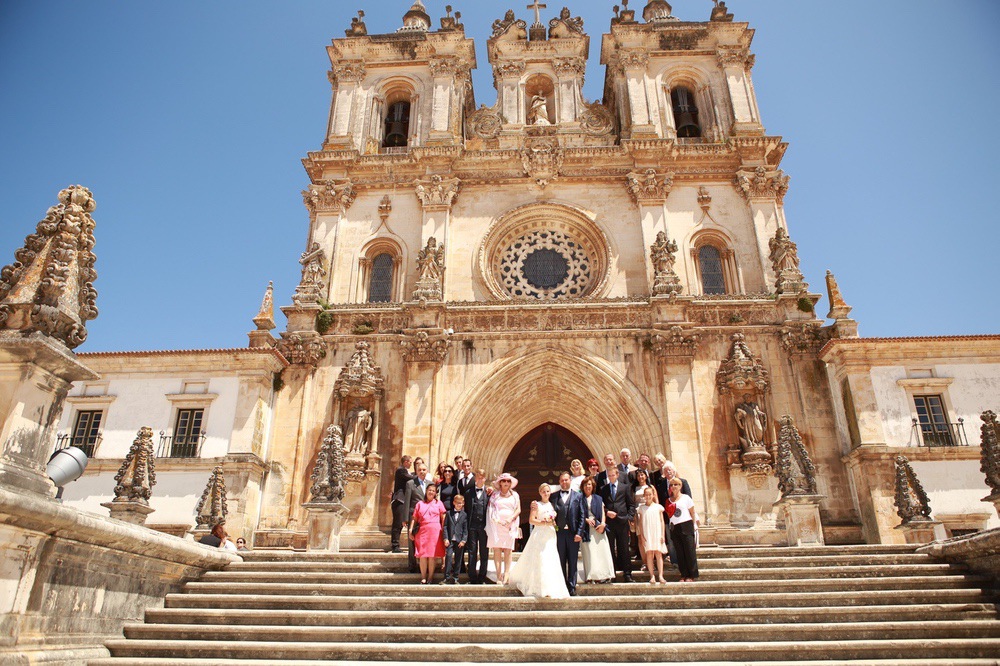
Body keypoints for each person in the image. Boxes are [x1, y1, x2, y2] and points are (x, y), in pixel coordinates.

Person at [508, 483, 568, 599]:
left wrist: (553, 523)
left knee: (551, 559)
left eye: (548, 491)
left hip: (550, 535)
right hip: (540, 534)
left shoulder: (552, 504)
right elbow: (531, 520)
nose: (546, 494)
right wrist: (545, 523)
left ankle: (551, 587)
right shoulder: (536, 504)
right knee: (541, 558)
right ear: (540, 493)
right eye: (543, 491)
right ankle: (539, 588)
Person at [550, 471, 586, 596]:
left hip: (573, 533)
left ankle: (572, 586)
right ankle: (561, 585)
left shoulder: (578, 496)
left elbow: (582, 516)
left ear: (570, 480)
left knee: (572, 561)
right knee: (560, 560)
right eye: (562, 480)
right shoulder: (553, 497)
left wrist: (579, 533)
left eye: (566, 480)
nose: (564, 482)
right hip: (558, 533)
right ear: (559, 482)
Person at [600, 466, 636, 582]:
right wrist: (606, 512)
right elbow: (601, 506)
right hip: (609, 523)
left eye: (612, 475)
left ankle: (627, 574)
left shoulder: (625, 488)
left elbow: (631, 504)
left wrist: (629, 517)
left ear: (617, 475)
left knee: (624, 548)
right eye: (609, 476)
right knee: (609, 548)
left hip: (622, 522)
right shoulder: (604, 489)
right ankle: (612, 574)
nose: (611, 477)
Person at [486, 472, 520, 584]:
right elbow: (490, 509)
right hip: (497, 525)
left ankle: (506, 574)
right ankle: (498, 575)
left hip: (510, 525)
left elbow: (518, 510)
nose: (506, 483)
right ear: (500, 483)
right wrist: (497, 521)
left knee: (508, 550)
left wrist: (510, 519)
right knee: (497, 549)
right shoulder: (494, 495)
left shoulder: (515, 495)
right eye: (504, 480)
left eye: (508, 481)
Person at [579, 476, 615, 583]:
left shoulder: (598, 498)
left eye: (589, 484)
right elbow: (577, 514)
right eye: (585, 485)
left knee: (601, 551)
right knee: (589, 552)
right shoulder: (579, 499)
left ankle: (603, 575)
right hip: (586, 529)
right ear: (582, 487)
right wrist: (586, 520)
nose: (587, 487)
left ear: (593, 486)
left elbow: (603, 512)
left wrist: (603, 524)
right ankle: (591, 576)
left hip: (598, 528)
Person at [410, 483, 446, 584]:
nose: (431, 492)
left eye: (433, 491)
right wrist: (410, 530)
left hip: (435, 531)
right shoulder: (419, 504)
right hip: (422, 531)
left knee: (431, 556)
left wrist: (444, 530)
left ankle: (430, 577)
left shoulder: (439, 503)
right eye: (429, 490)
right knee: (422, 555)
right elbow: (414, 518)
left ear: (435, 493)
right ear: (426, 491)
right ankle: (423, 577)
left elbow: (443, 517)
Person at [667, 477, 699, 582]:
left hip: (686, 525)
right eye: (671, 485)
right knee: (680, 552)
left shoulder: (686, 498)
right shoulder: (668, 500)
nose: (673, 487)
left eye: (675, 484)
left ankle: (692, 574)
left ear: (680, 486)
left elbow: (692, 512)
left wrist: (694, 525)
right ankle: (683, 574)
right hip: (674, 527)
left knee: (689, 551)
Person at [464, 468, 490, 584]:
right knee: (472, 551)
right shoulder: (469, 493)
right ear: (475, 478)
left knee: (484, 552)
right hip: (472, 526)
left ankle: (482, 577)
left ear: (485, 479)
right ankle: (472, 577)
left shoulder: (489, 493)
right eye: (478, 477)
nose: (480, 479)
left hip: (484, 527)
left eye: (482, 477)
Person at [636, 486, 668, 584]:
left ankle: (661, 575)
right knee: (649, 554)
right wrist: (642, 535)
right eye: (646, 495)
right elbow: (640, 523)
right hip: (647, 532)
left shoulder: (658, 507)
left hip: (657, 531)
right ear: (644, 496)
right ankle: (652, 576)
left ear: (653, 495)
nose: (648, 496)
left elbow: (662, 521)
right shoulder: (641, 508)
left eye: (650, 494)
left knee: (658, 553)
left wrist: (662, 534)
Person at [403, 463, 429, 573]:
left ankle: (425, 565)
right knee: (412, 541)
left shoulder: (430, 484)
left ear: (427, 471)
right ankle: (412, 565)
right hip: (414, 516)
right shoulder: (410, 483)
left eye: (424, 469)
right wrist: (405, 518)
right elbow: (407, 500)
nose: (422, 471)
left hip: (427, 517)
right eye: (420, 470)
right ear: (416, 471)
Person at [390, 454, 414, 553]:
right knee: (398, 523)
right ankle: (395, 545)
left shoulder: (404, 471)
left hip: (403, 500)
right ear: (406, 462)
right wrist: (419, 476)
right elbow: (409, 478)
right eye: (410, 462)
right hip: (399, 500)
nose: (411, 464)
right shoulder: (401, 470)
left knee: (400, 523)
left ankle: (396, 545)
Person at [442, 493, 468, 584]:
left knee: (458, 559)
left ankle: (456, 577)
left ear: (463, 503)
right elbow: (445, 526)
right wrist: (445, 538)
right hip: (450, 540)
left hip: (459, 540)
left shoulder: (464, 515)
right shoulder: (449, 514)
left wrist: (464, 540)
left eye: (460, 503)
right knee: (448, 557)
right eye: (457, 503)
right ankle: (447, 577)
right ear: (453, 503)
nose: (459, 505)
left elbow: (465, 529)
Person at [631, 468, 651, 562]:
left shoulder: (651, 487)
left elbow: (656, 502)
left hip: (649, 513)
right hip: (638, 514)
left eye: (642, 475)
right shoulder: (634, 488)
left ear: (646, 476)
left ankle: (651, 561)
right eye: (638, 475)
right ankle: (644, 561)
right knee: (640, 538)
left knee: (650, 537)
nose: (640, 477)